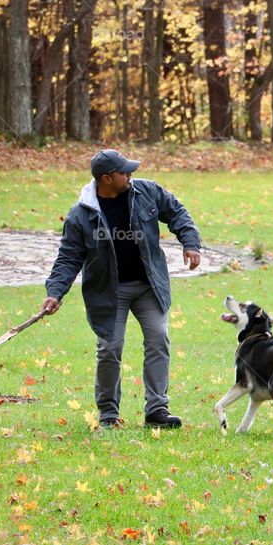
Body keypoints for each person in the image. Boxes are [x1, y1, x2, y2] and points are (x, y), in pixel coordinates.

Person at [42, 149, 201, 429]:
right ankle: (108, 414)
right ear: (106, 178)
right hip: (109, 293)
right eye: (124, 172)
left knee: (158, 339)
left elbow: (176, 212)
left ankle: (157, 410)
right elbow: (68, 258)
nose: (130, 175)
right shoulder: (81, 215)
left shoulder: (146, 191)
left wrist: (190, 243)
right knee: (109, 349)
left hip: (149, 285)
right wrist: (55, 292)